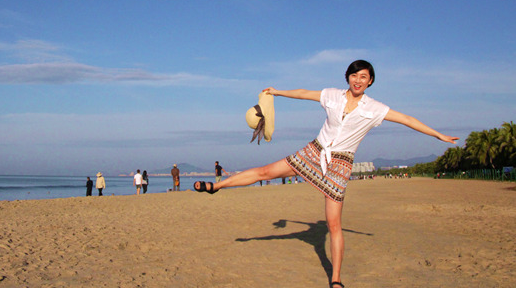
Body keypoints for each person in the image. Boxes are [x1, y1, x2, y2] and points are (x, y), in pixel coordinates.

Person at [193, 60, 458, 288]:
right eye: (354, 75)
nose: (358, 80)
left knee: (333, 225)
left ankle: (336, 278)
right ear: (348, 77)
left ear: (370, 81)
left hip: (340, 165)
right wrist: (277, 92)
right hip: (314, 151)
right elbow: (304, 93)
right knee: (266, 171)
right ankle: (216, 187)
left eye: (363, 76)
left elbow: (407, 119)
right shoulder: (332, 95)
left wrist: (438, 135)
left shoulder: (374, 108)